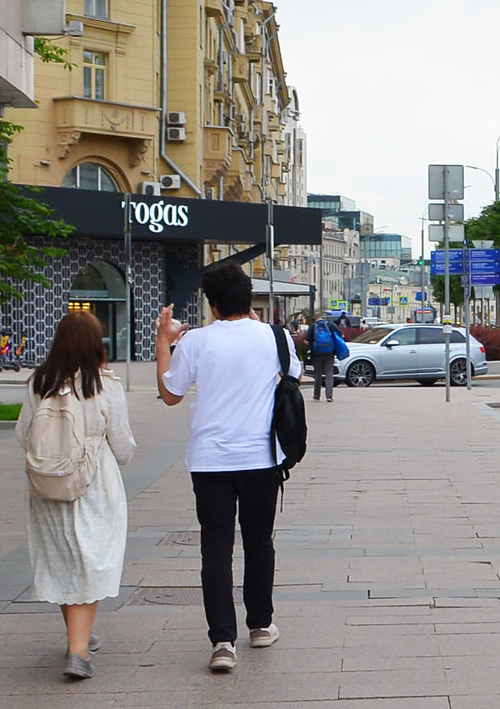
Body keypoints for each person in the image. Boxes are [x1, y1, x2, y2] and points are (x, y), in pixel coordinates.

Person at [155, 264, 299, 673]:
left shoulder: (196, 341)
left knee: (216, 547)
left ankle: (222, 642)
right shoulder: (275, 336)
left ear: (212, 304)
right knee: (259, 541)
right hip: (261, 458)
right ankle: (261, 625)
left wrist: (164, 341)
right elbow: (295, 375)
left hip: (210, 462)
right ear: (249, 297)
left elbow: (170, 394)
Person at [22, 312, 136, 680]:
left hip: (48, 485)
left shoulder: (39, 382)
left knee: (64, 559)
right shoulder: (104, 385)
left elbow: (23, 435)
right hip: (94, 484)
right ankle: (78, 651)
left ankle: (79, 635)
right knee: (91, 560)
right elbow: (123, 448)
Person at [309, 314, 345, 402]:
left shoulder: (313, 327)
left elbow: (307, 341)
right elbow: (341, 336)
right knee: (329, 374)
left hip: (316, 354)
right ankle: (329, 396)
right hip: (329, 353)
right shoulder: (330, 325)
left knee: (318, 375)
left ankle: (316, 395)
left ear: (314, 319)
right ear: (322, 317)